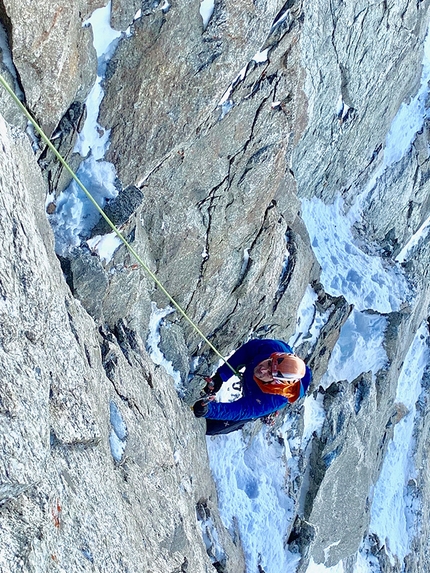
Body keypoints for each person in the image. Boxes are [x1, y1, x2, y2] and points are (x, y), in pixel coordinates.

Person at [193, 338, 312, 435]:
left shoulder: (274, 400)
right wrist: (221, 376)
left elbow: (243, 409)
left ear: (278, 383)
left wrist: (209, 410)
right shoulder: (272, 348)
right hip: (253, 382)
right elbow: (247, 351)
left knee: (212, 427)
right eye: (269, 363)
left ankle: (264, 414)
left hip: (260, 399)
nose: (263, 368)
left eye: (270, 373)